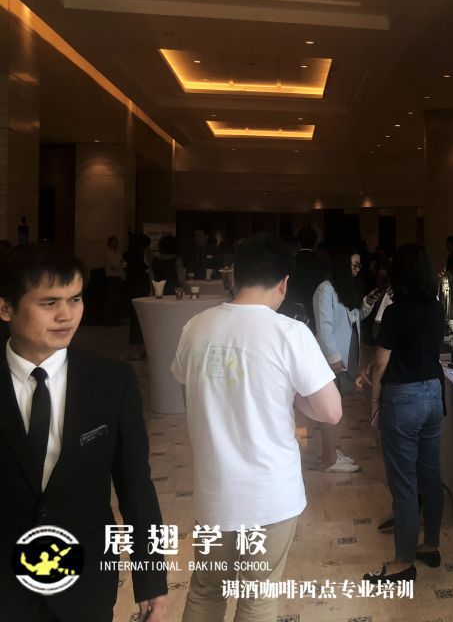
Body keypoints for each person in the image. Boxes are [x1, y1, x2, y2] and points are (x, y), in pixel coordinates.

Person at [171, 232, 342, 622]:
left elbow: (190, 399)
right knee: (257, 596)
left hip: (214, 491)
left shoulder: (195, 327)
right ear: (284, 282)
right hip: (270, 493)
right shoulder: (289, 333)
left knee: (206, 590)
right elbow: (331, 412)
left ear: (233, 276)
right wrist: (290, 396)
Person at [0, 244, 168, 622]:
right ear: (6, 308)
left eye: (75, 299)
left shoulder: (111, 382)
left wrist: (151, 579)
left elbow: (136, 488)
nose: (66, 315)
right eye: (49, 303)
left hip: (84, 580)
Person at [364, 244, 445, 584]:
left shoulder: (396, 312)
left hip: (404, 398)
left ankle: (403, 561)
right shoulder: (437, 308)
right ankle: (431, 545)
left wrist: (374, 402)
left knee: (404, 483)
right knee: (431, 476)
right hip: (433, 394)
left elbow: (382, 363)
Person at [313, 248, 379, 473]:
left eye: (359, 265)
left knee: (336, 403)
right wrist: (333, 357)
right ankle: (329, 458)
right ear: (343, 265)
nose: (358, 269)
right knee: (330, 406)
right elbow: (324, 327)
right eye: (354, 265)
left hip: (348, 351)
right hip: (333, 355)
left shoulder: (344, 288)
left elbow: (355, 317)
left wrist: (367, 303)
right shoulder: (325, 289)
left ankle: (330, 451)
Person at [283, 226, 327, 330]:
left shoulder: (291, 261)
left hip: (294, 308)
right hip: (316, 308)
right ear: (315, 243)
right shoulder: (322, 262)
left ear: (298, 243)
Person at [123, 233, 152, 360]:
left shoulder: (127, 254)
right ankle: (141, 349)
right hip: (141, 288)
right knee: (140, 318)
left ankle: (137, 349)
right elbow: (150, 267)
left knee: (134, 319)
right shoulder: (144, 254)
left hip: (130, 288)